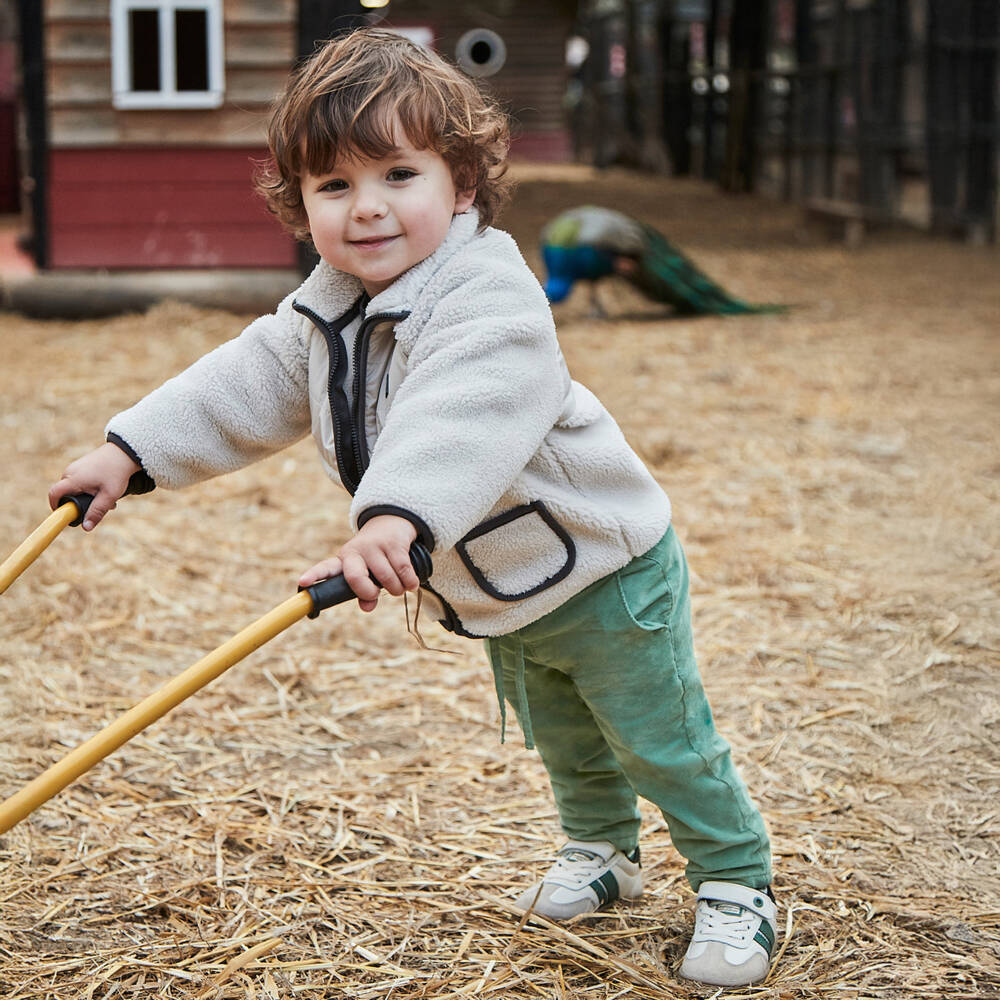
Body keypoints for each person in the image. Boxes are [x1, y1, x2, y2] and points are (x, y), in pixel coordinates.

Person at [47, 28, 776, 988]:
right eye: (334, 185)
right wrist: (132, 450)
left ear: (462, 184)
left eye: (398, 174)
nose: (367, 207)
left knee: (660, 743)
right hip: (504, 583)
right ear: (299, 202)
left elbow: (461, 415)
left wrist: (392, 518)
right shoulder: (330, 303)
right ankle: (605, 849)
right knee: (563, 735)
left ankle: (736, 881)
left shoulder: (492, 299)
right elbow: (249, 380)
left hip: (605, 574)